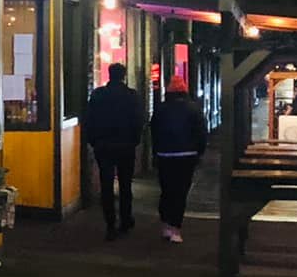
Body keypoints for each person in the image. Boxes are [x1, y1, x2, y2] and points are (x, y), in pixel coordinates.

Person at [83, 63, 145, 241]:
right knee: (126, 185)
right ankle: (125, 220)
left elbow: (89, 120)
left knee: (106, 185)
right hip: (126, 146)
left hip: (103, 146)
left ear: (109, 75)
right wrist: (135, 140)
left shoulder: (98, 95)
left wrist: (94, 141)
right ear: (124, 76)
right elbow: (138, 120)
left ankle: (110, 224)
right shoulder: (131, 96)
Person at [151, 72, 210, 243]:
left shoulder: (161, 109)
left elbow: (153, 131)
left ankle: (166, 224)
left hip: (165, 155)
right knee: (181, 192)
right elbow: (201, 133)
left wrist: (156, 152)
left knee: (166, 190)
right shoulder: (194, 109)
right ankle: (175, 228)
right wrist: (200, 152)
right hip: (187, 155)